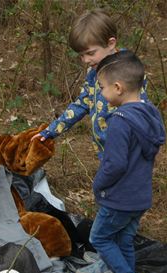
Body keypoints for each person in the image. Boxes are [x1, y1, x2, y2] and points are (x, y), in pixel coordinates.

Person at [75, 51, 165, 273]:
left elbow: (115, 164)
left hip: (119, 199)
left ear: (118, 87)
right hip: (140, 197)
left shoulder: (120, 122)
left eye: (103, 87)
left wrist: (98, 185)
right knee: (124, 239)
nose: (102, 93)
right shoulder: (150, 114)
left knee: (100, 238)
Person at [31, 8, 148, 161]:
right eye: (81, 55)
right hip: (105, 153)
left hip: (128, 155)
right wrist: (51, 131)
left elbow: (141, 111)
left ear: (111, 43)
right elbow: (82, 103)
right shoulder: (94, 72)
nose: (86, 60)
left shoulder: (129, 70)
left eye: (91, 53)